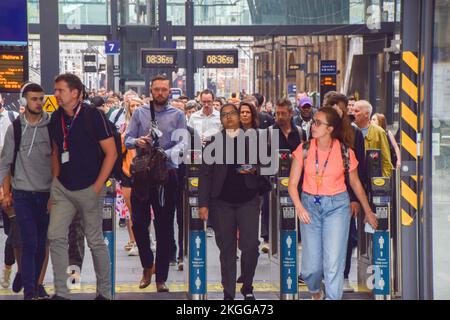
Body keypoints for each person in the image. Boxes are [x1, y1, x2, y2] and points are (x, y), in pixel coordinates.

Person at [288, 107, 378, 300]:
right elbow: (292, 184)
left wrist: (368, 211)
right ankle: (315, 291)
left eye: (318, 122)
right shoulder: (303, 149)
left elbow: (355, 183)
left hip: (337, 207)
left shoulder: (345, 151)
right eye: (314, 121)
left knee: (333, 263)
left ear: (330, 128)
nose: (314, 125)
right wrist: (299, 207)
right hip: (309, 205)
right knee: (311, 268)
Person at [47, 73, 117, 300]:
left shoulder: (93, 116)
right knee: (55, 236)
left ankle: (105, 293)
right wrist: (55, 184)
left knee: (94, 240)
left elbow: (112, 153)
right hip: (63, 188)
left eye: (61, 90)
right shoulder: (55, 118)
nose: (56, 94)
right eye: (55, 90)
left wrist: (98, 185)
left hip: (90, 187)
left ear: (75, 93)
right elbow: (56, 152)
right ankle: (62, 291)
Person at [125, 74, 187, 292]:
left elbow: (183, 143)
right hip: (143, 176)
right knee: (139, 224)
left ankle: (161, 277)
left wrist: (165, 153)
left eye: (164, 89)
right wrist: (138, 141)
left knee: (164, 228)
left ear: (169, 91)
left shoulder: (178, 115)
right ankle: (146, 265)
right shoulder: (140, 112)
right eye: (157, 89)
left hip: (167, 175)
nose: (160, 93)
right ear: (151, 90)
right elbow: (127, 139)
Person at [199, 103, 261, 300]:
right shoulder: (213, 143)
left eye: (231, 114)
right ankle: (228, 292)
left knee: (250, 246)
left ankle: (247, 284)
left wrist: (250, 168)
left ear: (238, 116)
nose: (228, 118)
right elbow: (205, 176)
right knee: (227, 249)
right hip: (222, 203)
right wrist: (203, 204)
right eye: (224, 115)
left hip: (248, 200)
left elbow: (265, 165)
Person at [0, 83, 53, 300]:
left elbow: (58, 160)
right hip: (22, 194)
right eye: (33, 99)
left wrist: (55, 194)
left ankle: (28, 277)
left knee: (41, 243)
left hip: (46, 195)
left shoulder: (52, 126)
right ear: (24, 101)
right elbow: (5, 163)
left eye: (41, 99)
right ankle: (30, 292)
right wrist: (5, 193)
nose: (38, 103)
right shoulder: (15, 128)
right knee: (28, 241)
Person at [324, 93, 367, 293]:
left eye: (338, 108)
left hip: (344, 195)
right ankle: (327, 274)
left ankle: (344, 274)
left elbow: (360, 169)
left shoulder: (355, 134)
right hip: (320, 194)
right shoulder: (318, 131)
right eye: (330, 107)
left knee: (347, 237)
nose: (335, 111)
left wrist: (355, 199)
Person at [0, 96, 19, 290]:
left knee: (15, 233)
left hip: (17, 190)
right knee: (12, 233)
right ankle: (9, 269)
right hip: (9, 191)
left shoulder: (11, 120)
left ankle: (12, 271)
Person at [354, 100, 393, 177]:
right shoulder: (349, 130)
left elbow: (386, 159)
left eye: (356, 111)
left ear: (366, 114)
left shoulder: (379, 132)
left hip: (371, 179)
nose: (353, 113)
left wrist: (383, 182)